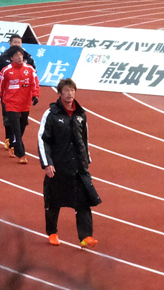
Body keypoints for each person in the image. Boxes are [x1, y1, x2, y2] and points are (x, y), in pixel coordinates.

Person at [38, 78, 101, 248]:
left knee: (83, 200)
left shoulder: (81, 114)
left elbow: (84, 138)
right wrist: (47, 163)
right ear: (60, 93)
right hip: (58, 166)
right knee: (53, 201)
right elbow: (43, 139)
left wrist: (86, 159)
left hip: (78, 167)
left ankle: (86, 236)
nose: (70, 94)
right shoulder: (51, 114)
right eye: (66, 90)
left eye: (72, 90)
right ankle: (52, 233)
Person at [0, 46, 39, 164]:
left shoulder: (30, 69)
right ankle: (21, 154)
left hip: (25, 103)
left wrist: (35, 95)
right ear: (12, 58)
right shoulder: (6, 71)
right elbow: (0, 87)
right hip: (11, 103)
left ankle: (13, 144)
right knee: (16, 129)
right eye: (16, 55)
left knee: (23, 125)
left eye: (20, 55)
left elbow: (35, 83)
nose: (19, 57)